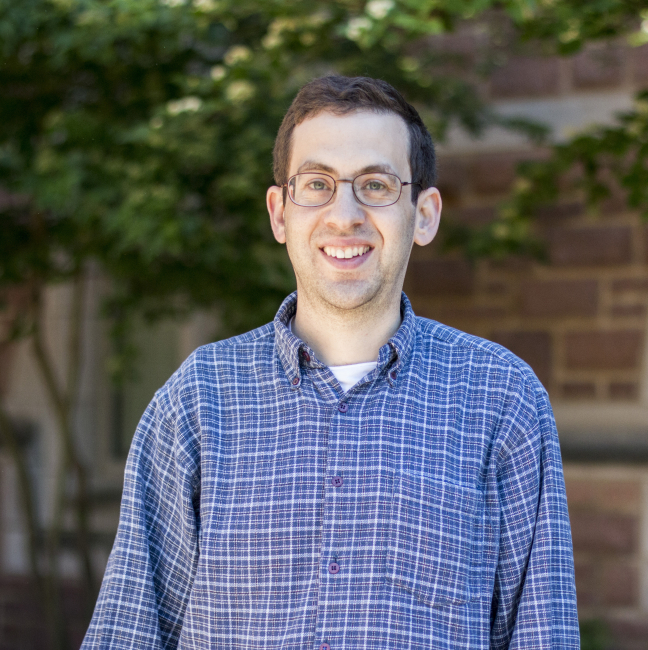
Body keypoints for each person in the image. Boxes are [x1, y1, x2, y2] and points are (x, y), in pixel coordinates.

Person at [82, 75, 579, 649]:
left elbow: (543, 634)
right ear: (279, 213)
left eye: (375, 184)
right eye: (317, 184)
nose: (344, 215)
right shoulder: (198, 398)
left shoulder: (500, 398)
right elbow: (130, 631)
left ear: (424, 214)